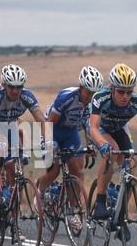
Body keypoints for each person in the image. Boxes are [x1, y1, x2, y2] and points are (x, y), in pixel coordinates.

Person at [88, 63, 137, 221]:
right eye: (121, 92)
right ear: (112, 89)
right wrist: (102, 145)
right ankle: (100, 201)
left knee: (131, 164)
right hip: (100, 129)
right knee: (111, 151)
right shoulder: (100, 97)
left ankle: (120, 214)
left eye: (129, 92)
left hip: (119, 128)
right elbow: (93, 128)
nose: (125, 96)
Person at [0, 64, 46, 205]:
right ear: (4, 85)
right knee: (0, 149)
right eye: (12, 87)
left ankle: (11, 197)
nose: (16, 91)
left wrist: (47, 141)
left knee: (16, 165)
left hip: (10, 124)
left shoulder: (27, 96)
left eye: (19, 87)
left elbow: (41, 120)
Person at [37, 66, 103, 201]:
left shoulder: (94, 103)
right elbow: (49, 122)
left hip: (70, 133)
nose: (90, 97)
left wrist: (91, 145)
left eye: (94, 94)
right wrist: (50, 142)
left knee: (77, 172)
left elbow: (89, 126)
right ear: (80, 87)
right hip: (52, 130)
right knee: (53, 172)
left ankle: (72, 212)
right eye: (88, 93)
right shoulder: (67, 96)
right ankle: (40, 194)